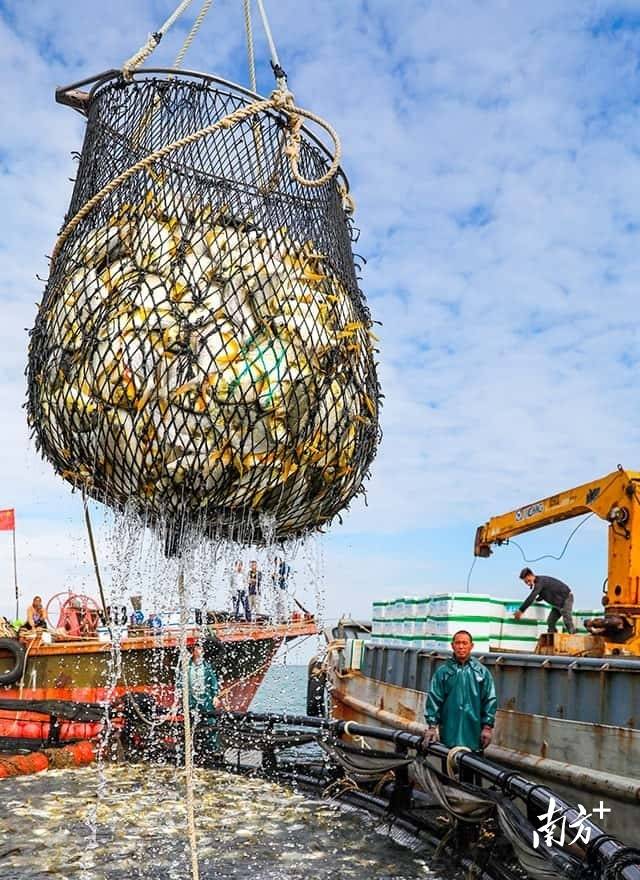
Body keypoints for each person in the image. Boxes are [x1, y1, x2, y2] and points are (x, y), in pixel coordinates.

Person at [422, 630, 497, 752]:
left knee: (472, 768)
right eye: (457, 643)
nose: (461, 646)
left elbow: (490, 700)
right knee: (447, 769)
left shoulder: (482, 672)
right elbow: (434, 699)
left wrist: (487, 727)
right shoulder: (443, 673)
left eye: (464, 643)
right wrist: (432, 727)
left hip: (474, 737)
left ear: (471, 646)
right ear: (452, 645)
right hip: (448, 737)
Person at [515, 567, 576, 634]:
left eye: (528, 581)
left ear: (531, 575)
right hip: (557, 604)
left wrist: (521, 610)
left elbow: (532, 596)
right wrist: (537, 599)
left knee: (567, 619)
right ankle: (553, 639)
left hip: (566, 599)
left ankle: (573, 637)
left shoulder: (540, 581)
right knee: (550, 622)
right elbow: (545, 593)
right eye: (526, 582)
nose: (528, 583)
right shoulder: (539, 584)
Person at [187, 643, 220, 763]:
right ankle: (193, 748)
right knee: (192, 722)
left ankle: (212, 749)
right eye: (198, 648)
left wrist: (215, 695)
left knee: (210, 722)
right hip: (192, 699)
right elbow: (181, 682)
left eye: (201, 648)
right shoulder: (187, 666)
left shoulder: (206, 666)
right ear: (193, 650)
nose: (200, 650)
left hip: (205, 698)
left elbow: (213, 681)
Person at [272, 557, 291, 622]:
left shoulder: (284, 566)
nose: (276, 563)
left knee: (283, 602)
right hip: (276, 587)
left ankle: (285, 617)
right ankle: (279, 618)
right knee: (277, 603)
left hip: (282, 587)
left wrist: (278, 576)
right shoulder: (276, 568)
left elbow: (285, 575)